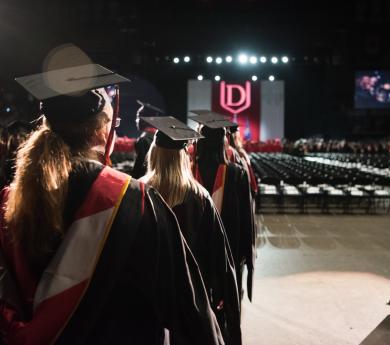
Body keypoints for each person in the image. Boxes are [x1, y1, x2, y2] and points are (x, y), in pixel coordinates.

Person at [0, 64, 223, 345]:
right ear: (101, 133)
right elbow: (189, 310)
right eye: (112, 123)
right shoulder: (135, 202)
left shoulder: (10, 201)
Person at [139, 116, 242, 345]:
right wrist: (223, 293)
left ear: (153, 154)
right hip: (192, 295)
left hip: (148, 295)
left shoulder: (136, 194)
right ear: (183, 156)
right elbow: (219, 255)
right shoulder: (200, 198)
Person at [190, 110, 256, 305]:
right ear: (222, 142)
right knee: (227, 299)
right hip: (229, 249)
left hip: (195, 247)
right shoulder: (237, 174)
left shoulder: (187, 172)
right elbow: (246, 219)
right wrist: (247, 252)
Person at [131, 100, 162, 178]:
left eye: (138, 117)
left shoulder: (144, 139)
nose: (136, 120)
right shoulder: (160, 137)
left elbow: (138, 169)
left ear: (147, 119)